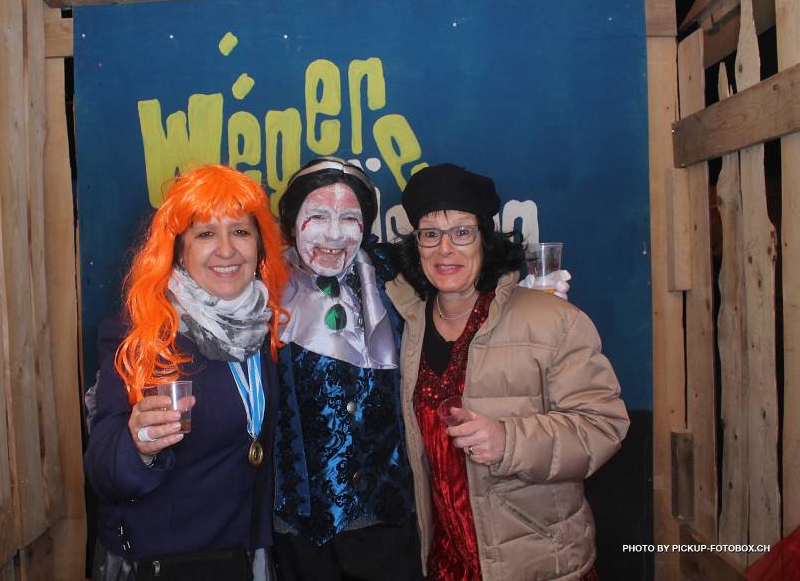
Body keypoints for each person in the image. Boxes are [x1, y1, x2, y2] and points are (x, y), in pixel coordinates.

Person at [385, 163, 629, 581]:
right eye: (431, 234)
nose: (446, 249)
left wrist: (507, 441)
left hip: (536, 563)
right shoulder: (406, 325)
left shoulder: (552, 320)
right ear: (417, 245)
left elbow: (603, 426)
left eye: (462, 232)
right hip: (445, 565)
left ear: (486, 238)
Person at [85, 165, 288, 580]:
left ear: (260, 245)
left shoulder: (265, 324)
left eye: (240, 231)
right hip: (168, 561)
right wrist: (138, 447)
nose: (227, 250)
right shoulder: (140, 335)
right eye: (206, 234)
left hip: (244, 554)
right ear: (179, 251)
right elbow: (102, 472)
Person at [272, 157, 422, 580]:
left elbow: (460, 289)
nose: (335, 234)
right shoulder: (262, 288)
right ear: (292, 222)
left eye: (350, 219)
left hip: (385, 520)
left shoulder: (396, 280)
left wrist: (523, 296)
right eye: (318, 216)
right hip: (300, 528)